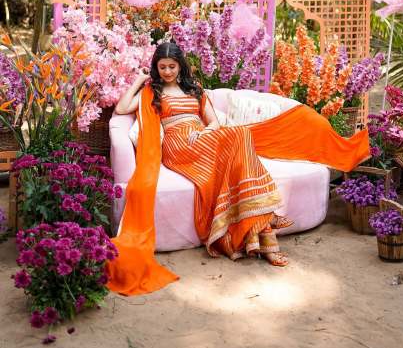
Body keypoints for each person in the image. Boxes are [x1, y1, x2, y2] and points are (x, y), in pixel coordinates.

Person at [106, 42, 370, 296]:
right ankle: (268, 220)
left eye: (171, 66)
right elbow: (121, 108)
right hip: (179, 146)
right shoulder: (153, 92)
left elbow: (212, 123)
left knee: (240, 139)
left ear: (180, 66)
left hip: (201, 137)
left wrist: (203, 133)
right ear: (156, 68)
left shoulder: (195, 89)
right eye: (162, 67)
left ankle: (265, 233)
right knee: (239, 140)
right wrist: (138, 81)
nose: (167, 72)